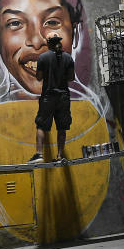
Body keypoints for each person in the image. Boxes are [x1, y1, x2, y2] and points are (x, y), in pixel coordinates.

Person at [28, 32, 74, 164]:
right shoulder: (68, 58)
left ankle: (39, 155)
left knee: (41, 125)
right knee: (62, 127)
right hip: (64, 96)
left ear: (48, 43)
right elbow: (71, 78)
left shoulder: (43, 58)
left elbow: (39, 77)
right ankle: (60, 156)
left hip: (48, 96)